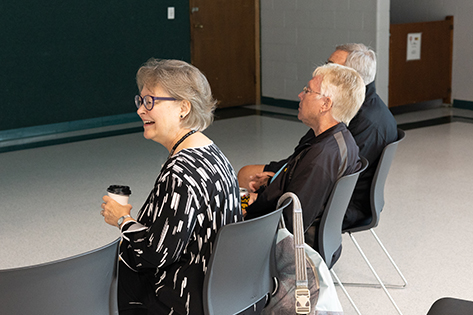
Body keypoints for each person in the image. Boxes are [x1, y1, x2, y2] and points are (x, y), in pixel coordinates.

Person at [100, 59, 242, 315]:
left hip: (183, 300)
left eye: (150, 102)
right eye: (140, 101)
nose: (141, 111)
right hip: (222, 292)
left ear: (183, 108)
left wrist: (122, 219)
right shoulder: (212, 152)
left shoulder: (181, 171)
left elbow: (155, 254)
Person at [244, 63, 365, 239]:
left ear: (325, 104)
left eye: (308, 91)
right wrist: (274, 181)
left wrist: (247, 207)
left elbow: (292, 223)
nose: (300, 95)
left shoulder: (321, 157)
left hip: (287, 245)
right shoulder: (339, 138)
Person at [327, 44, 398, 229]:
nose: (323, 73)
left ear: (353, 77)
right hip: (344, 200)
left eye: (332, 67)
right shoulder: (366, 109)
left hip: (344, 207)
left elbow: (333, 175)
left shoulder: (365, 122)